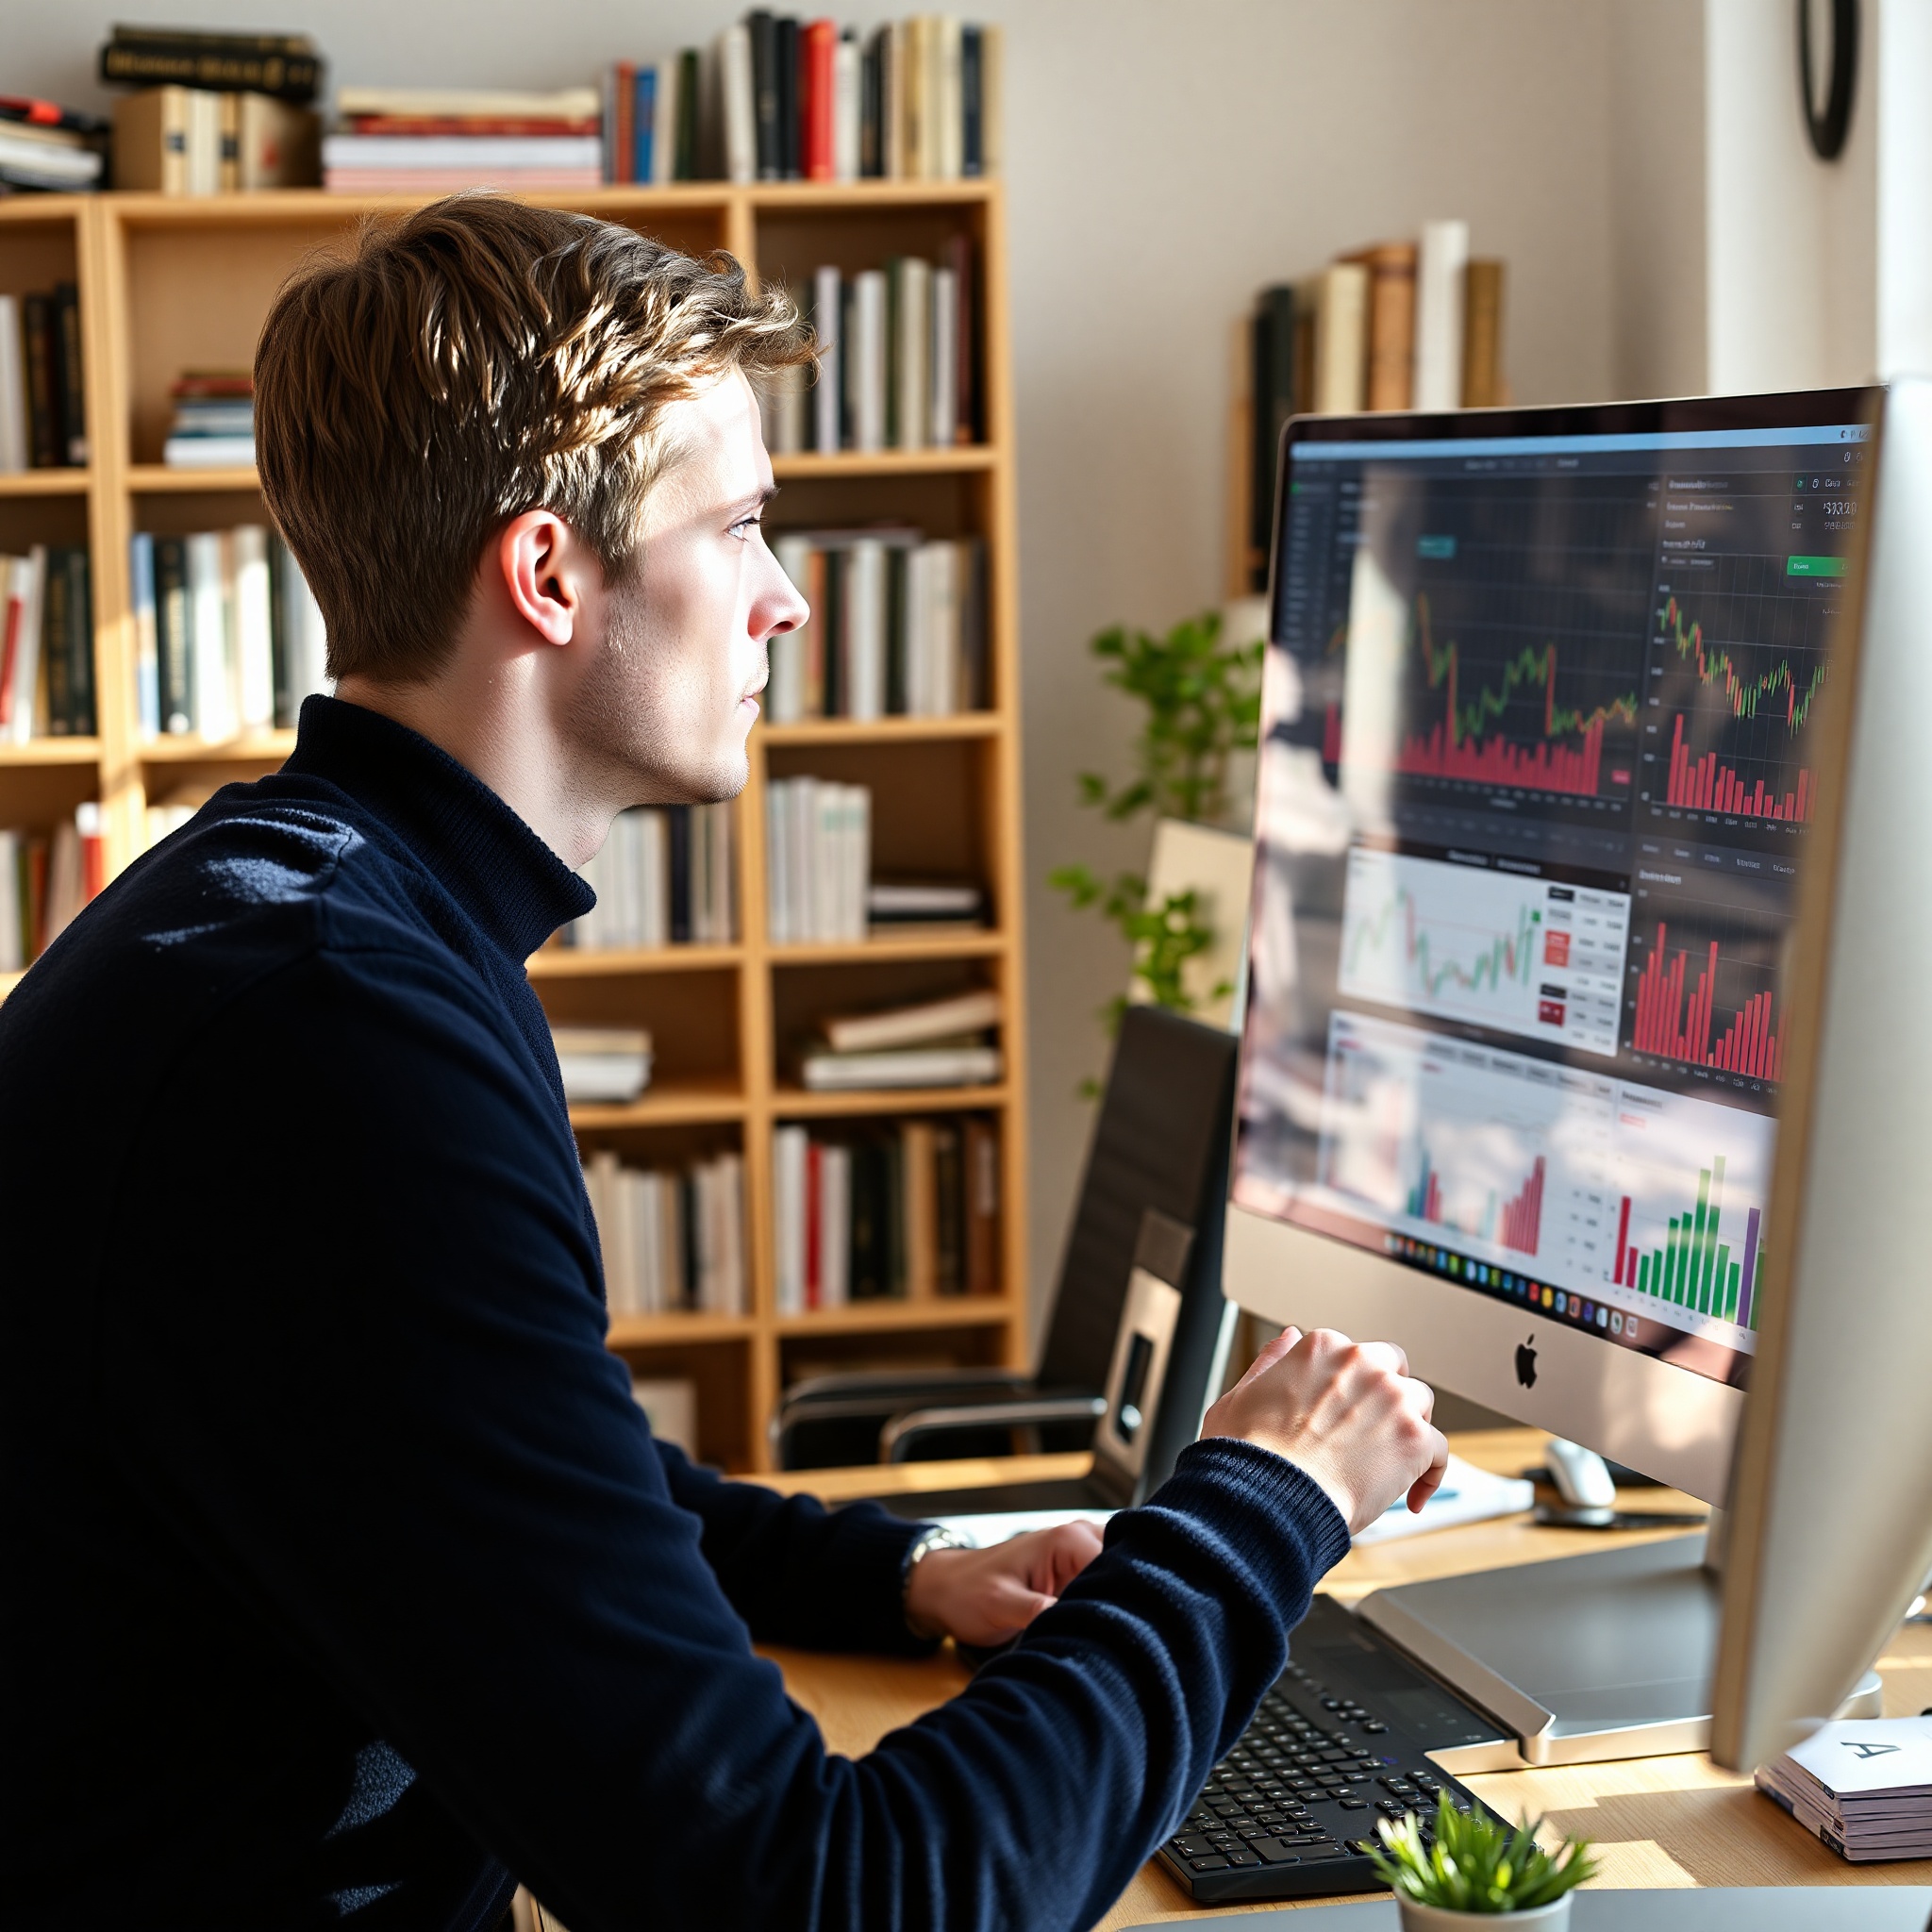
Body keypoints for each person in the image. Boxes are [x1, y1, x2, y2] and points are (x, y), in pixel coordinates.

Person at [0, 196, 1446, 1932]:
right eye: (744, 526)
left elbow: (506, 1478)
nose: (789, 600)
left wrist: (902, 1573)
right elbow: (827, 1905)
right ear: (549, 576)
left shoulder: (301, 925)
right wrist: (1272, 1497)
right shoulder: (333, 1041)